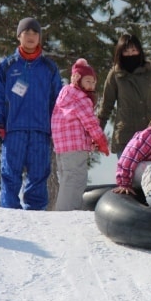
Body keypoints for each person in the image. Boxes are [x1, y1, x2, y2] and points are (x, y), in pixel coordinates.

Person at [0, 17, 63, 210]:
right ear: (19, 36)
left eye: (35, 33)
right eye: (26, 33)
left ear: (39, 38)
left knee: (39, 173)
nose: (31, 37)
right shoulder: (7, 66)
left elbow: (58, 101)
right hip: (14, 129)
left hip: (41, 130)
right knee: (10, 173)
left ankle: (36, 214)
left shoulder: (49, 67)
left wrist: (57, 128)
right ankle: (10, 212)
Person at [97, 34, 151, 156]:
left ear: (139, 51)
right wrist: (97, 132)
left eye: (134, 50)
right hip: (125, 136)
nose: (131, 54)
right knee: (127, 174)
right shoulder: (115, 74)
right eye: (126, 51)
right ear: (120, 53)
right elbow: (106, 107)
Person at [51, 58, 110, 211]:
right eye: (88, 81)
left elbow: (76, 124)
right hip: (75, 147)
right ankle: (67, 213)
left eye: (93, 82)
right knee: (76, 180)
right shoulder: (81, 98)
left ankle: (64, 211)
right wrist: (101, 141)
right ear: (78, 80)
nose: (91, 85)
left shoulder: (65, 96)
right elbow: (90, 123)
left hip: (63, 147)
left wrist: (91, 141)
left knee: (67, 179)